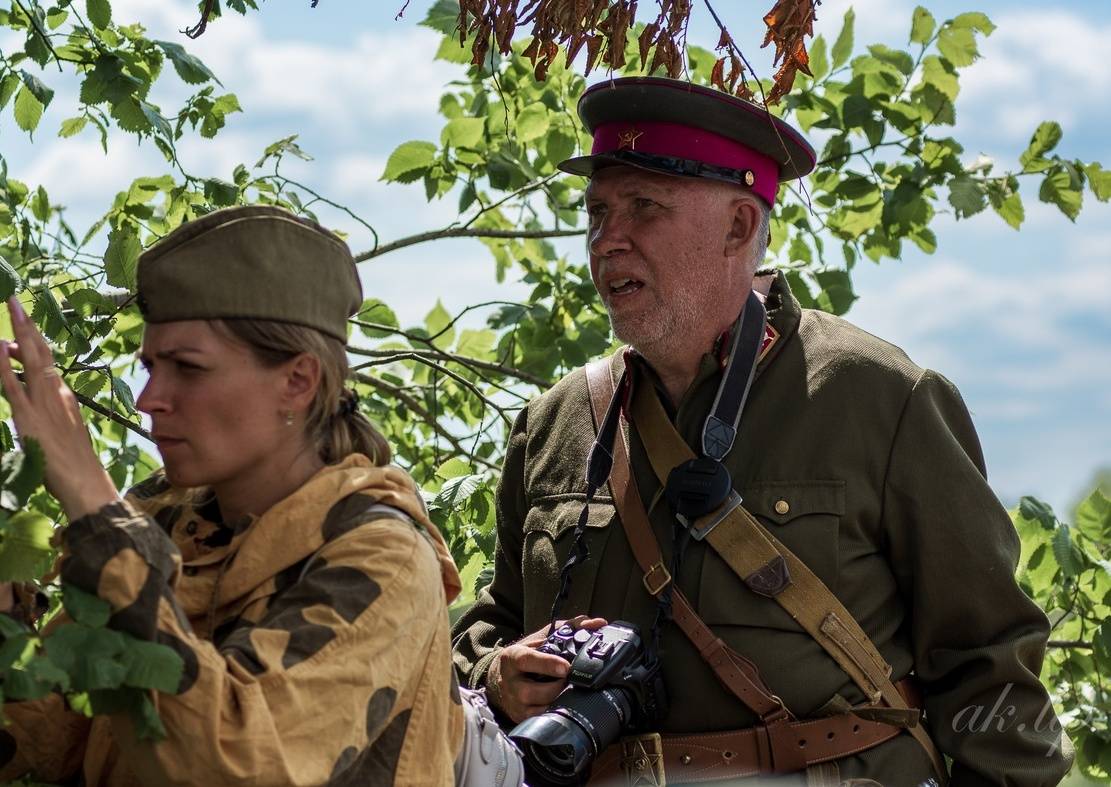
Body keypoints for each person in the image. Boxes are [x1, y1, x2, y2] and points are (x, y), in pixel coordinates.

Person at [452, 77, 1073, 785]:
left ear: (739, 226)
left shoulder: (881, 399)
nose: (606, 240)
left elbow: (990, 661)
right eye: (597, 212)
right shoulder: (554, 423)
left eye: (643, 207)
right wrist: (496, 673)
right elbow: (490, 626)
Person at [0, 205, 464, 786]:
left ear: (298, 381)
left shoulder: (384, 557)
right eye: (150, 367)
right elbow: (38, 735)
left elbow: (234, 763)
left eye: (188, 369)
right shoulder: (161, 514)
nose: (148, 399)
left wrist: (95, 508)